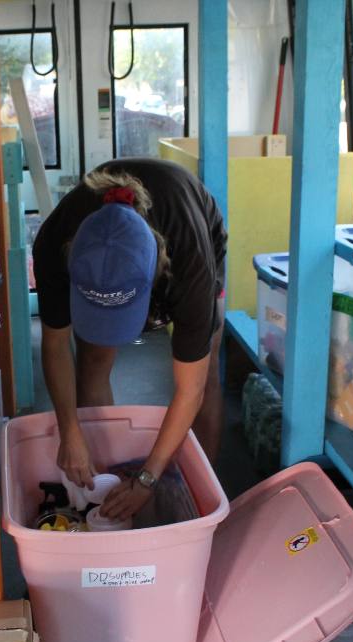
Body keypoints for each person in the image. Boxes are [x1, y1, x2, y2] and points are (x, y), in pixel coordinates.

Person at [33, 158, 227, 521]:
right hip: (112, 245)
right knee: (92, 360)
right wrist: (69, 430)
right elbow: (56, 344)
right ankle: (108, 479)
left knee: (206, 369)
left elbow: (191, 389)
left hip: (194, 220)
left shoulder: (189, 267)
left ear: (157, 276)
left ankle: (200, 499)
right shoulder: (52, 244)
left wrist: (149, 478)